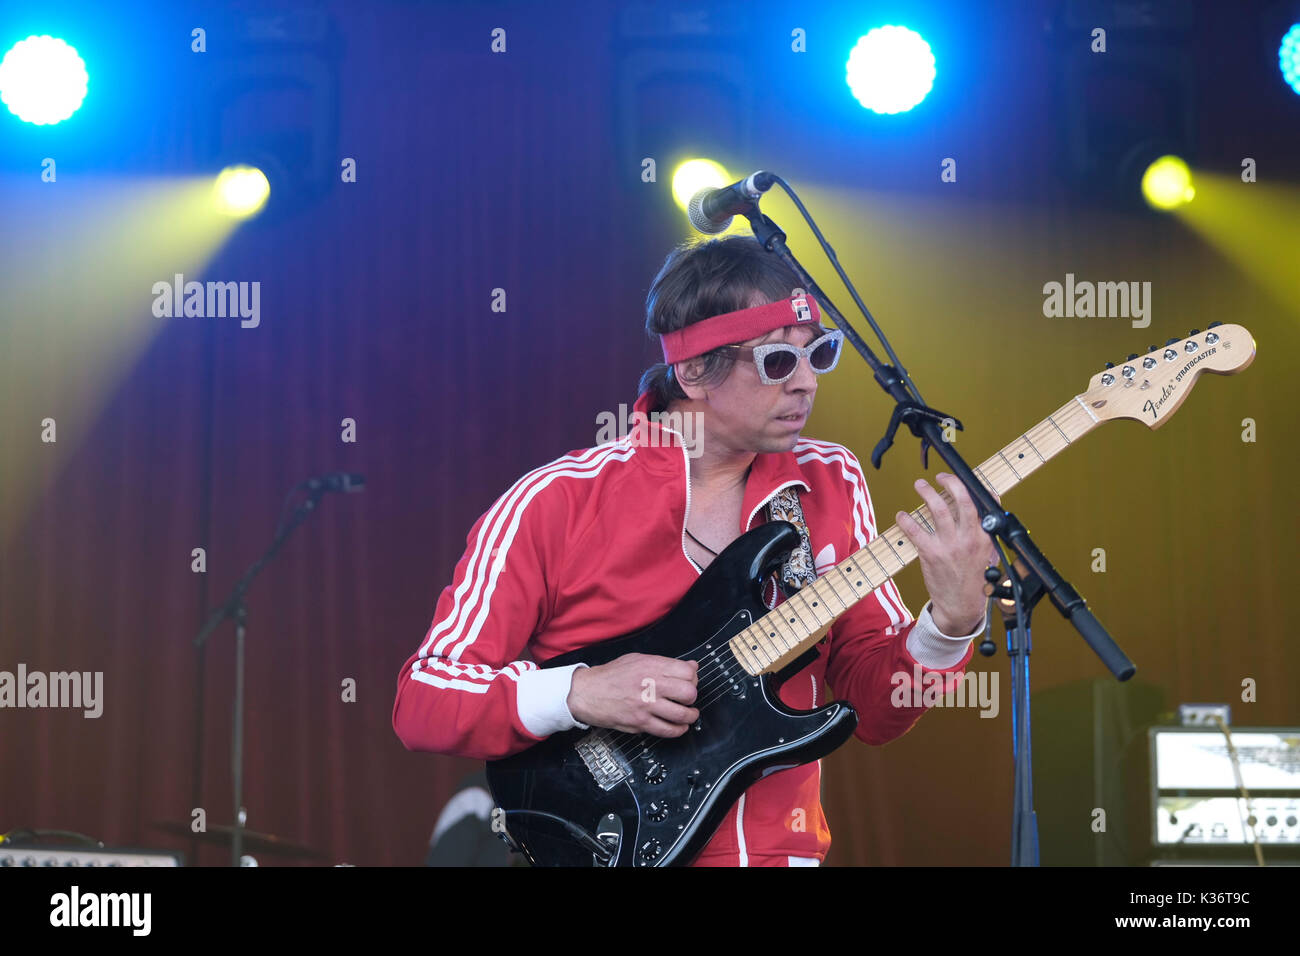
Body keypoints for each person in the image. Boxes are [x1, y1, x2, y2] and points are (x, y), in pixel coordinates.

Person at [392, 234, 997, 866]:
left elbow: (874, 712)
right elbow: (425, 699)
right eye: (776, 363)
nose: (807, 385)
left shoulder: (829, 482)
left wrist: (949, 626)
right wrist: (579, 691)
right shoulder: (557, 501)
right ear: (693, 370)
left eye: (818, 354)